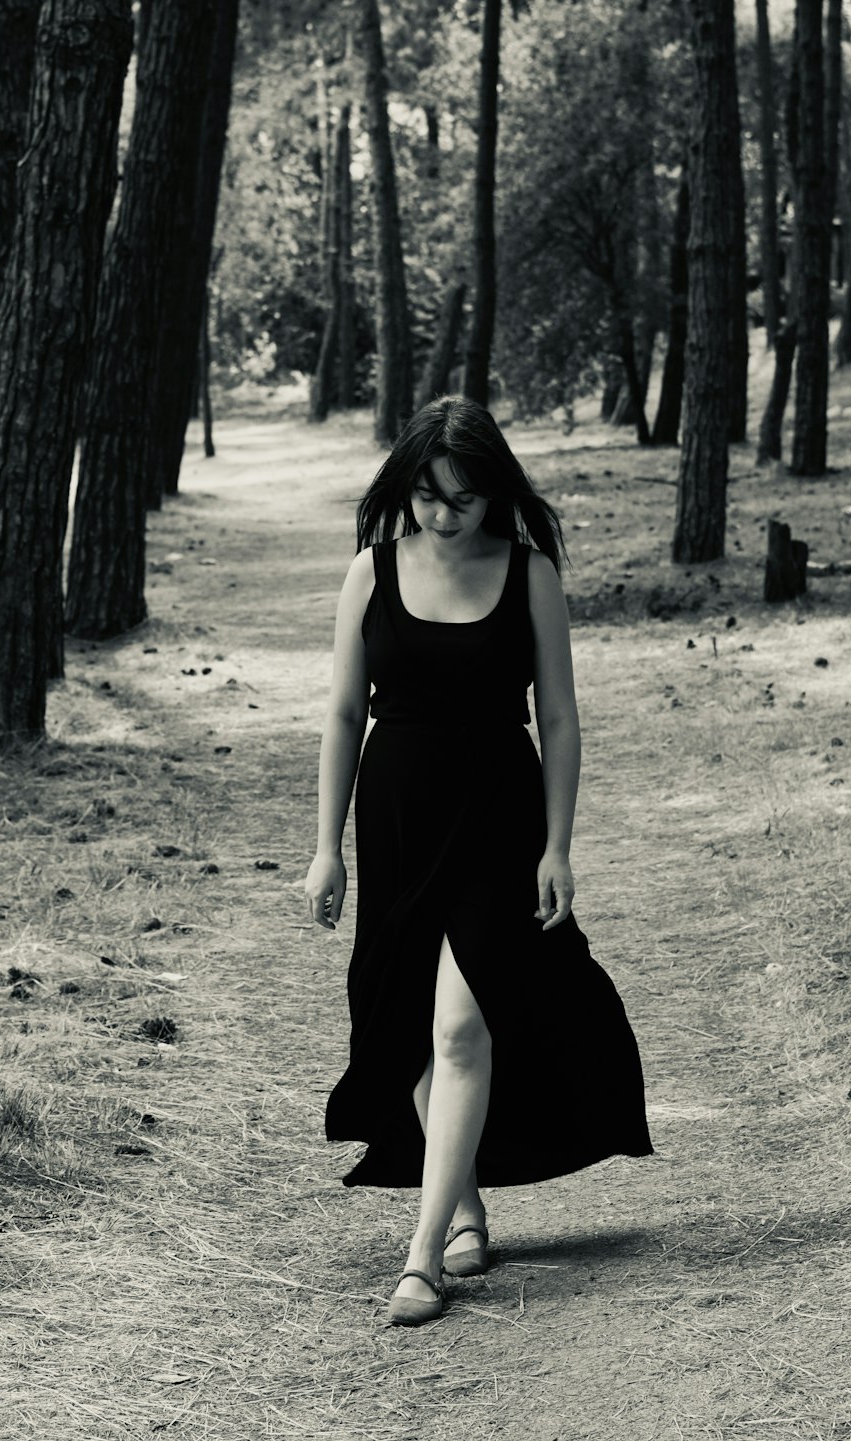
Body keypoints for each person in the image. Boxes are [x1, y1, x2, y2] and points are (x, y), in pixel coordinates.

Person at [304, 395, 652, 1326]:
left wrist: (558, 845)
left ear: (494, 494)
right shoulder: (369, 574)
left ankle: (420, 1258)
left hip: (498, 816)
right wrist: (324, 848)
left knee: (463, 1025)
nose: (441, 516)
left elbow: (563, 717)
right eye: (424, 496)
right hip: (397, 820)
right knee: (410, 1016)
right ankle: (460, 1203)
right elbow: (342, 714)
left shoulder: (530, 573)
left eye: (461, 498)